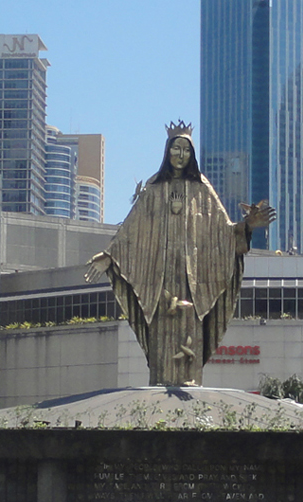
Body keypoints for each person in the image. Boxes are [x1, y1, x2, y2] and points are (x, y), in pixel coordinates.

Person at [84, 124, 275, 386]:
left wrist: (248, 226)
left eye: (186, 149)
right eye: (176, 148)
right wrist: (111, 256)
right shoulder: (154, 187)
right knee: (163, 325)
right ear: (167, 151)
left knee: (188, 323)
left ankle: (188, 379)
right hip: (161, 277)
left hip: (192, 279)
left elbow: (224, 231)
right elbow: (132, 229)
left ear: (192, 155)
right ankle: (162, 380)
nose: (181, 154)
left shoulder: (201, 188)